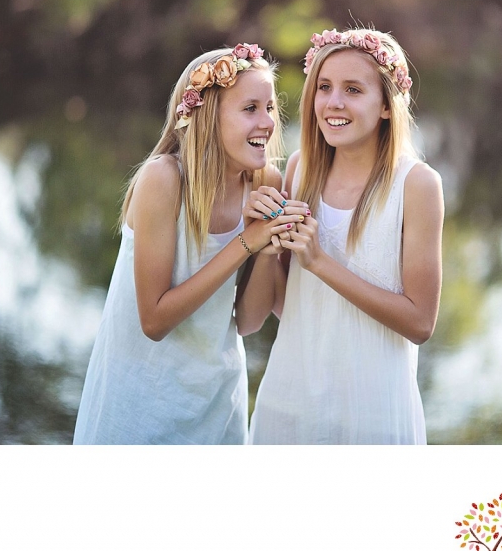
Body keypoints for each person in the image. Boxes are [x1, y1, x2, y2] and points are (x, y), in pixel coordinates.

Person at [73, 43, 307, 444]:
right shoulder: (163, 180)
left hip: (217, 401)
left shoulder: (264, 181)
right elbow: (155, 321)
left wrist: (269, 251)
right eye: (250, 108)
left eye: (270, 108)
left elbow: (247, 322)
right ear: (208, 115)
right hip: (141, 401)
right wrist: (245, 243)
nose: (267, 123)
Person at [242, 27, 445, 444]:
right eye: (324, 87)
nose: (333, 103)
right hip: (289, 406)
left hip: (372, 413)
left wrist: (320, 262)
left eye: (353, 89)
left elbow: (420, 323)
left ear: (387, 106)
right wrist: (262, 246)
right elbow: (280, 307)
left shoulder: (417, 185)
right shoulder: (299, 171)